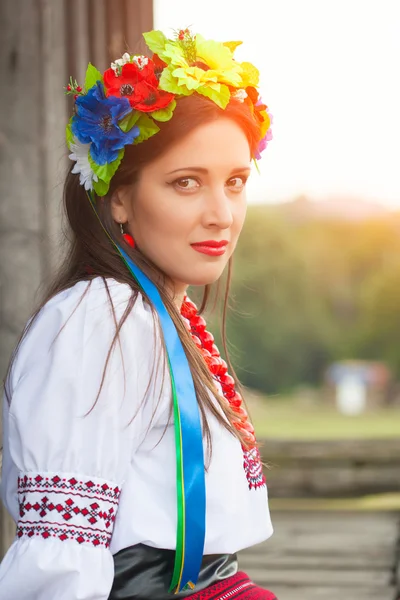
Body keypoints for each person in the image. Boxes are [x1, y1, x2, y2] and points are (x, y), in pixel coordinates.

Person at [0, 27, 276, 599]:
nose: (221, 214)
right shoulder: (100, 318)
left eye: (235, 182)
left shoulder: (162, 315)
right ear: (119, 196)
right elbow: (62, 559)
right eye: (185, 183)